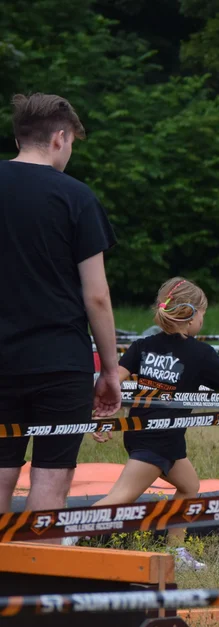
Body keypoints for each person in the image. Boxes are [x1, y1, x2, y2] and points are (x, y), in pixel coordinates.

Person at [0, 93, 121, 517]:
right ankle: (34, 578)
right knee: (51, 480)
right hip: (59, 362)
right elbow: (97, 295)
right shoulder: (76, 197)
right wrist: (109, 369)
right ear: (60, 138)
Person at [88, 278, 219, 569]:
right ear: (191, 314)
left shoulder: (143, 346)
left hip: (155, 438)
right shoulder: (201, 354)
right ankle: (68, 536)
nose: (203, 320)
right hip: (155, 440)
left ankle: (176, 552)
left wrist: (104, 416)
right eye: (203, 315)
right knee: (121, 497)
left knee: (189, 485)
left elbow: (110, 383)